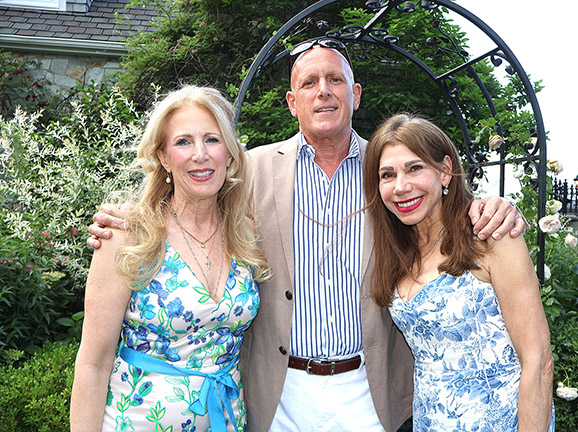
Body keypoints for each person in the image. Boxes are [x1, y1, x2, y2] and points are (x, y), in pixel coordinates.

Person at [88, 38, 529, 431]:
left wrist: (492, 207)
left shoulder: (385, 172)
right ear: (291, 101)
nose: (323, 91)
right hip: (280, 394)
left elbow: (433, 207)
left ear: (355, 94)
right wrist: (131, 217)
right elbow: (192, 207)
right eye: (309, 83)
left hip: (368, 391)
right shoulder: (251, 170)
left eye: (335, 80)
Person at [71, 85, 270, 432]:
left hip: (227, 420)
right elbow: (93, 363)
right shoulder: (129, 236)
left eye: (212, 139)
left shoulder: (246, 235)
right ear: (163, 157)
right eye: (183, 142)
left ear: (229, 153)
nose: (200, 154)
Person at [363, 113, 554, 431]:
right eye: (387, 175)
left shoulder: (489, 235)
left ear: (445, 171)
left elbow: (539, 361)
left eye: (415, 168)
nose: (401, 186)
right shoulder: (397, 252)